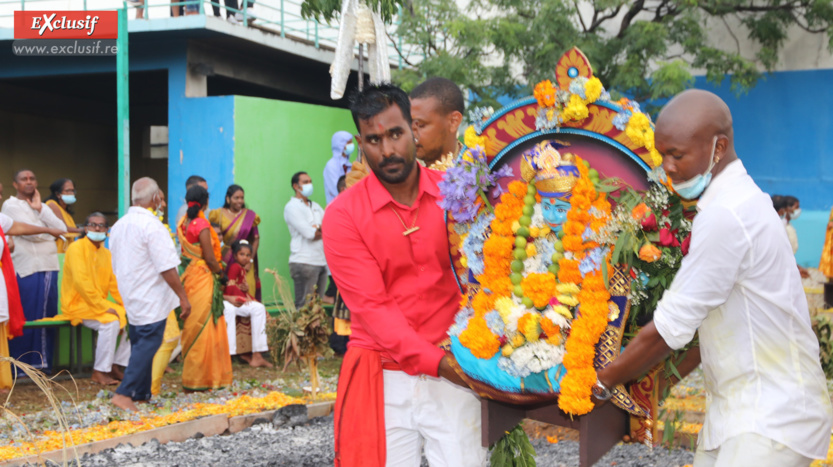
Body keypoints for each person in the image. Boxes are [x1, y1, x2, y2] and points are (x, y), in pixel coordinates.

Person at [596, 90, 833, 466]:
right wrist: (648, 387)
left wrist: (601, 381)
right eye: (662, 155)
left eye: (677, 155)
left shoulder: (727, 214)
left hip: (770, 417)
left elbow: (669, 330)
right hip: (740, 415)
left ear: (718, 147)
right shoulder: (738, 200)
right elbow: (700, 326)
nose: (668, 167)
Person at [323, 84, 486, 466]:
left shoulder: (456, 195)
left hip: (455, 371)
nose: (387, 150)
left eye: (395, 133)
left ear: (413, 130)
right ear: (361, 144)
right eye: (374, 140)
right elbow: (373, 309)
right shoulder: (343, 215)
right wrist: (441, 365)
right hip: (384, 375)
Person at [109, 178, 191, 412]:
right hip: (149, 293)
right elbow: (167, 266)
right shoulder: (152, 226)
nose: (163, 204)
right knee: (149, 342)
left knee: (139, 341)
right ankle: (124, 393)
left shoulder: (119, 225)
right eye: (161, 199)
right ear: (155, 198)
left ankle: (141, 393)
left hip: (130, 291)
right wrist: (182, 297)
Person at [2, 169, 68, 373]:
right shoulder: (10, 205)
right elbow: (31, 234)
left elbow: (62, 228)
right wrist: (50, 232)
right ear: (15, 184)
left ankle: (41, 366)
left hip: (48, 266)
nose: (29, 182)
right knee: (26, 318)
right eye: (24, 179)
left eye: (32, 178)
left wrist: (40, 209)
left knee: (46, 316)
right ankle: (21, 367)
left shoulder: (43, 206)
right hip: (26, 269)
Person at [345, 76, 465, 187]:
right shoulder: (400, 168)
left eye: (420, 125)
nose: (413, 134)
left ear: (453, 122)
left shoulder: (472, 171)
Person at [60, 213, 131, 386]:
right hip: (77, 304)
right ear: (85, 228)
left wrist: (127, 305)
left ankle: (116, 365)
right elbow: (81, 283)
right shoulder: (76, 248)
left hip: (97, 305)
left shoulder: (106, 254)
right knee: (111, 322)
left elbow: (115, 285)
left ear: (107, 230)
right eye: (93, 225)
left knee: (133, 318)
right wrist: (103, 307)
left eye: (101, 226)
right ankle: (99, 371)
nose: (97, 228)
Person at [178, 185, 233, 391]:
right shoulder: (201, 224)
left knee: (193, 325)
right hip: (202, 277)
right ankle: (205, 378)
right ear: (206, 202)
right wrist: (222, 275)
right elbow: (209, 257)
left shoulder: (183, 222)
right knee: (205, 326)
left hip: (189, 277)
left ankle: (193, 377)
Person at [223, 239, 271, 368]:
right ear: (235, 256)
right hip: (229, 299)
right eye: (242, 254)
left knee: (259, 308)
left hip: (237, 298)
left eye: (248, 255)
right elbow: (230, 286)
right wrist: (242, 296)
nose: (245, 257)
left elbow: (236, 285)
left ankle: (257, 355)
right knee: (230, 310)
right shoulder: (234, 267)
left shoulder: (242, 269)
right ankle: (228, 356)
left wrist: (244, 290)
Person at [209, 184, 262, 301]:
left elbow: (256, 238)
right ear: (228, 199)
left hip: (245, 258)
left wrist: (250, 260)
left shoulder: (250, 216)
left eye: (242, 198)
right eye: (236, 198)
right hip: (225, 258)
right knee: (225, 288)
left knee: (247, 289)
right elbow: (213, 234)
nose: (240, 201)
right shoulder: (218, 214)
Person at [284, 172, 327, 309]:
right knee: (304, 308)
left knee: (317, 308)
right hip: (304, 262)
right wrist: (319, 228)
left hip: (321, 261)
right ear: (296, 186)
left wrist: (319, 228)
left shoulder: (316, 206)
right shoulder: (292, 207)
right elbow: (310, 234)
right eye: (305, 182)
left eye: (310, 181)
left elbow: (330, 226)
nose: (309, 184)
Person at [45, 178, 83, 253]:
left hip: (66, 251)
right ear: (58, 194)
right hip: (56, 252)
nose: (71, 193)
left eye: (72, 191)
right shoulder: (52, 204)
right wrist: (83, 230)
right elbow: (64, 228)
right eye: (68, 190)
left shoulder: (66, 211)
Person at [324, 131, 355, 205]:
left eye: (351, 142)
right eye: (349, 143)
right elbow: (337, 190)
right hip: (336, 205)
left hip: (349, 205)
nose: (352, 145)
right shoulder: (331, 165)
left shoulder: (349, 165)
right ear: (340, 145)